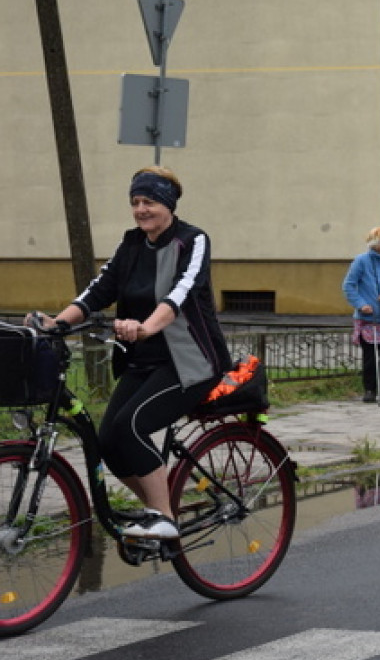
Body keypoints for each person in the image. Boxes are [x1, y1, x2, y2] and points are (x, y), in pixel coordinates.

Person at [28, 166, 231, 540]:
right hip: (143, 361)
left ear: (167, 204)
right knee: (107, 442)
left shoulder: (193, 240)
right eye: (135, 202)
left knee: (130, 426)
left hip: (190, 364)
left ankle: (164, 519)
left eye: (149, 201)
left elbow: (181, 292)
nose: (141, 209)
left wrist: (147, 326)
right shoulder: (132, 243)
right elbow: (99, 290)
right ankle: (158, 510)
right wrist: (57, 323)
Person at [343, 227, 380, 405]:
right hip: (367, 318)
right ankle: (369, 389)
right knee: (369, 357)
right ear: (375, 243)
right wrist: (361, 305)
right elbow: (348, 285)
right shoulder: (361, 261)